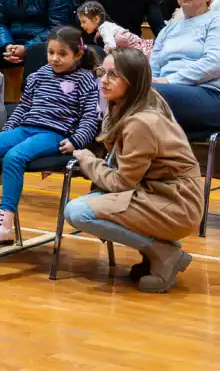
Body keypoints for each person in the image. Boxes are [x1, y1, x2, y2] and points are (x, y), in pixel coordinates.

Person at [0, 26, 100, 244]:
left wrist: (76, 141)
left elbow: (90, 118)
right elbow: (22, 109)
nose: (55, 58)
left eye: (62, 54)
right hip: (24, 128)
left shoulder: (85, 81)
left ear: (78, 55)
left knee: (14, 158)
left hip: (54, 134)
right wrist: (5, 134)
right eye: (51, 52)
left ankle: (5, 223)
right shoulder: (39, 75)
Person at [64, 47, 204, 293]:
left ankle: (164, 253)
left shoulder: (141, 121)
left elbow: (122, 183)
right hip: (158, 193)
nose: (103, 81)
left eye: (113, 75)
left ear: (133, 81)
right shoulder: (133, 102)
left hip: (176, 203)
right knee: (94, 202)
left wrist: (87, 160)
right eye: (102, 72)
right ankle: (153, 255)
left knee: (78, 212)